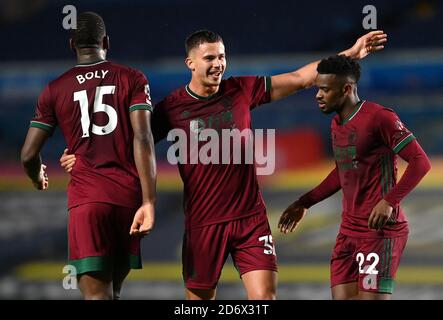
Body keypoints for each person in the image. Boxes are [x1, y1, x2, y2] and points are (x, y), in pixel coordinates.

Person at [61, 29, 387, 300]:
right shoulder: (171, 109)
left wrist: (352, 54)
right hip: (203, 225)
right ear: (190, 63)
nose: (218, 64)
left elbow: (301, 78)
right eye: (209, 58)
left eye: (221, 56)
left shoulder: (242, 89)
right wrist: (84, 155)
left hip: (250, 221)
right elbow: (131, 142)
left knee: (265, 298)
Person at [20, 12, 157, 300]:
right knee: (113, 293)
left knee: (96, 296)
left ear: (72, 45)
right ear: (106, 42)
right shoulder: (132, 78)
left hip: (88, 201)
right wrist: (148, 200)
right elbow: (143, 137)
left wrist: (36, 177)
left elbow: (29, 154)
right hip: (127, 200)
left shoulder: (55, 89)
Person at [278, 55, 431, 300]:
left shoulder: (380, 117)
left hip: (378, 232)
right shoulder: (337, 123)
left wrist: (389, 201)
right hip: (347, 231)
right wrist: (304, 202)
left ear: (347, 88)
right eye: (318, 89)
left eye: (325, 89)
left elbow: (420, 162)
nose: (318, 95)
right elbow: (343, 170)